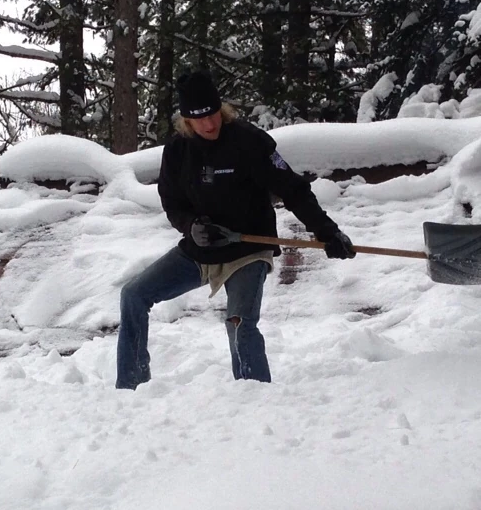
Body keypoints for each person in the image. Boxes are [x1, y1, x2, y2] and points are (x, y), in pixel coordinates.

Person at [116, 69, 356, 389]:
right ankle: (129, 388)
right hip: (202, 249)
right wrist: (191, 226)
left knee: (239, 322)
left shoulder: (250, 141)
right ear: (186, 121)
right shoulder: (177, 151)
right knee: (133, 295)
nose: (209, 124)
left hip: (247, 248)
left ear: (222, 109)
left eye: (213, 114)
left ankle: (254, 398)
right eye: (199, 118)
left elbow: (293, 189)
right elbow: (172, 203)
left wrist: (327, 233)